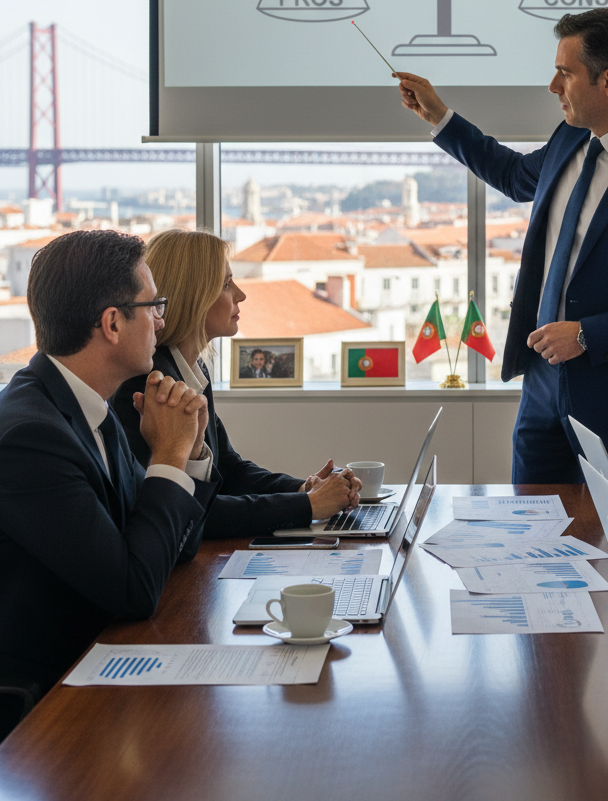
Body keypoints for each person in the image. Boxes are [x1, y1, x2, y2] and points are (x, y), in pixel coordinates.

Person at [395, 8, 608, 484]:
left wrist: (586, 334)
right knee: (530, 535)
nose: (552, 86)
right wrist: (440, 117)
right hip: (543, 391)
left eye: (565, 73)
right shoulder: (570, 137)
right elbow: (513, 175)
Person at [0, 230, 216, 727]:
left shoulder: (88, 402)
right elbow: (132, 589)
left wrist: (192, 449)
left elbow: (176, 546)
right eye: (154, 305)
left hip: (102, 659)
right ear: (113, 323)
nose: (162, 320)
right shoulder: (31, 436)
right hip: (46, 703)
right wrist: (168, 453)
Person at [112, 228, 361, 538]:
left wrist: (303, 488)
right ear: (193, 296)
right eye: (227, 284)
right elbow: (194, 513)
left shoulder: (190, 368)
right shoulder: (149, 386)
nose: (240, 294)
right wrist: (307, 506)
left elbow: (229, 467)